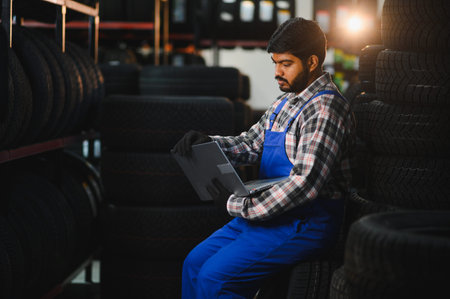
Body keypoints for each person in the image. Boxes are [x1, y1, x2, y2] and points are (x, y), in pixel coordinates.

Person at [173, 17, 355, 299]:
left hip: (307, 222)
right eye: (275, 63)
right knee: (193, 265)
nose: (277, 72)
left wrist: (236, 205)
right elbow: (251, 143)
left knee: (215, 280)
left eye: (286, 64)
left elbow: (304, 184)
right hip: (269, 213)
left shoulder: (326, 108)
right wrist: (209, 143)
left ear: (312, 62)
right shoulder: (286, 101)